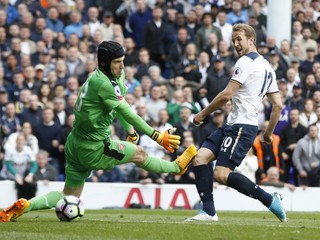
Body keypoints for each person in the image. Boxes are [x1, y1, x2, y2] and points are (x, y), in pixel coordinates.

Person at [0, 41, 196, 222]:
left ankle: (27, 204)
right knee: (140, 154)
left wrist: (130, 131)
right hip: (94, 147)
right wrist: (157, 136)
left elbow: (119, 107)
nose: (122, 66)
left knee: (68, 196)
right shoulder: (102, 83)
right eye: (117, 62)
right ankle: (176, 168)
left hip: (74, 143)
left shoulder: (109, 76)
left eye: (123, 61)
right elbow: (125, 110)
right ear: (103, 63)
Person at [186, 24, 287, 222]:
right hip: (234, 124)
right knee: (200, 158)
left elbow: (226, 95)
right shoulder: (268, 68)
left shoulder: (245, 62)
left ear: (251, 40)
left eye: (239, 39)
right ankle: (208, 212)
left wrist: (202, 114)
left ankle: (269, 200)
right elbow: (277, 105)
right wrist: (268, 134)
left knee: (222, 174)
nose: (235, 44)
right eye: (233, 40)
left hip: (242, 126)